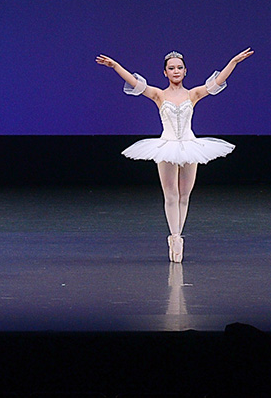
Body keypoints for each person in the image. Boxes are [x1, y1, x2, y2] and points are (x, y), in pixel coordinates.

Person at [96, 48, 253, 262]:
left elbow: (216, 84)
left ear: (185, 71)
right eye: (171, 68)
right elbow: (135, 83)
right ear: (165, 72)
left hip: (189, 145)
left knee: (185, 195)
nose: (176, 71)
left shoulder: (192, 94)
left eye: (179, 67)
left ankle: (178, 235)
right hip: (167, 145)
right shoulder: (159, 95)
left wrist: (233, 62)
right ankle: (175, 237)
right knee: (171, 194)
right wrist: (115, 66)